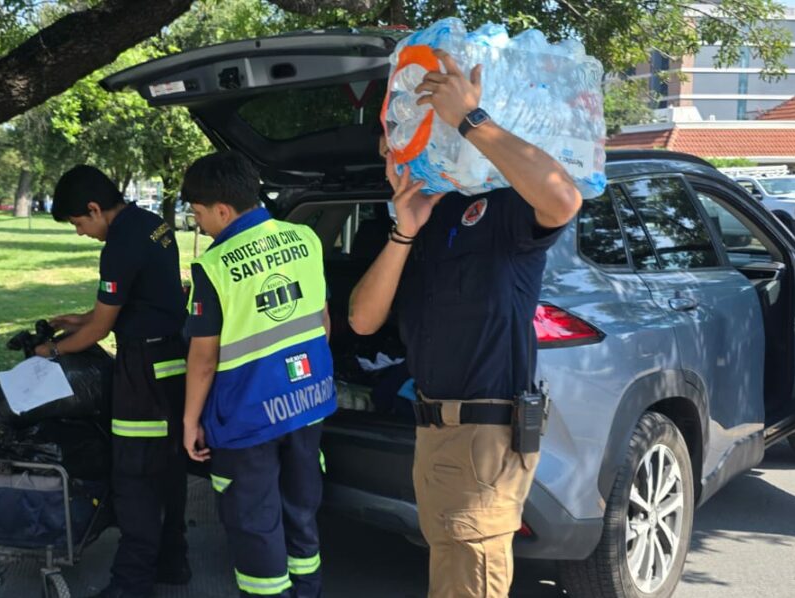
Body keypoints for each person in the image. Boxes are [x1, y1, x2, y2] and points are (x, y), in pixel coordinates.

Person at [347, 50, 583, 598]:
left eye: (400, 149)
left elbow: (563, 197)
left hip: (485, 438)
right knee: (450, 578)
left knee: (469, 583)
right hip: (433, 433)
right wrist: (403, 231)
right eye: (388, 154)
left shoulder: (495, 206)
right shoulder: (421, 228)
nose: (392, 164)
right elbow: (362, 319)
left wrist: (471, 119)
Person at [181, 151, 337, 598]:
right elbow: (323, 320)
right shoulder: (304, 238)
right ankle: (308, 590)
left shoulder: (213, 265)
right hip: (308, 403)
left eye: (199, 214)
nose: (200, 225)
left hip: (248, 417)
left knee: (254, 522)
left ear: (223, 210)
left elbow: (204, 358)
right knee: (300, 510)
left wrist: (191, 421)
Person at [38, 165, 191, 598]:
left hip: (142, 373)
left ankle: (130, 585)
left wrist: (49, 351)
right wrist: (81, 319)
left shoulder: (119, 244)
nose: (80, 232)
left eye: (78, 223)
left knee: (135, 476)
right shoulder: (152, 223)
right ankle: (172, 561)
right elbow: (134, 301)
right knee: (169, 467)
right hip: (172, 360)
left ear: (93, 208)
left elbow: (100, 331)